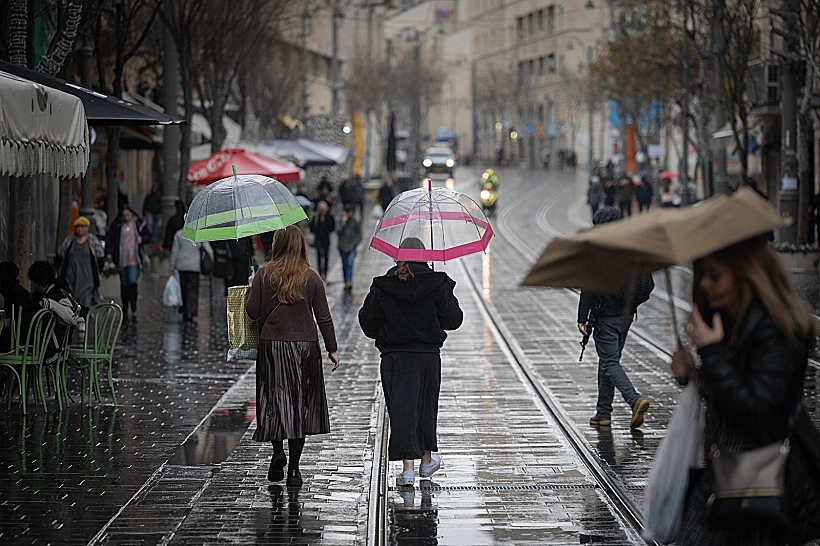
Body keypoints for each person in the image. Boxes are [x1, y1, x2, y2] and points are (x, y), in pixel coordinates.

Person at [670, 235, 819, 545]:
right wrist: (693, 375)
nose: (705, 284)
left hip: (757, 480)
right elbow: (730, 393)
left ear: (745, 274)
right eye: (703, 274)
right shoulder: (733, 321)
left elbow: (758, 409)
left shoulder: (775, 329)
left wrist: (711, 353)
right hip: (724, 473)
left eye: (715, 275)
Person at [358, 237, 464, 486]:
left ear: (398, 257)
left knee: (402, 409)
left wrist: (389, 328)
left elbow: (367, 322)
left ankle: (407, 469)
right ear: (425, 257)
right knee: (426, 407)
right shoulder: (437, 283)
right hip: (427, 357)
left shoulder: (384, 285)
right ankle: (426, 461)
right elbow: (453, 319)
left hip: (395, 357)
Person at [245, 225, 340, 487]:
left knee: (274, 401)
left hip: (272, 346)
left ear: (277, 245)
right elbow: (324, 317)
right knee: (300, 405)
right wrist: (332, 349)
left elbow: (252, 313)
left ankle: (278, 452)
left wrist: (252, 287)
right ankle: (295, 470)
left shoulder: (264, 275)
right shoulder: (312, 278)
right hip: (305, 348)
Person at [577, 206, 650, 429]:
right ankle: (603, 412)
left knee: (609, 362)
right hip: (626, 315)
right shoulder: (630, 247)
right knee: (608, 361)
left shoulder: (599, 251)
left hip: (606, 316)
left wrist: (582, 317)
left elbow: (588, 286)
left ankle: (634, 400)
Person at [28, 261, 80, 365]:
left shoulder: (57, 294)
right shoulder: (48, 293)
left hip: (54, 346)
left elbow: (72, 318)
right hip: (53, 343)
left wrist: (52, 304)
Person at [105, 206, 151, 318]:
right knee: (124, 282)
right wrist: (109, 253)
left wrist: (142, 239)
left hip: (134, 258)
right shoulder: (118, 226)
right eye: (124, 216)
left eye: (128, 215)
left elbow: (148, 235)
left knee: (132, 280)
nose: (126, 218)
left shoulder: (138, 224)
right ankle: (125, 304)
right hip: (121, 257)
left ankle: (133, 303)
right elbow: (111, 239)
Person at [56, 216, 105, 318]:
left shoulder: (92, 240)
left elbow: (100, 257)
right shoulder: (70, 240)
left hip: (87, 276)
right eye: (78, 227)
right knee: (70, 299)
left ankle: (83, 319)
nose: (79, 229)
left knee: (85, 299)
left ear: (87, 228)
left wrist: (100, 272)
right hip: (71, 275)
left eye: (82, 227)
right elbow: (60, 253)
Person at [169, 229, 213, 323]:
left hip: (181, 265)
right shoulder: (200, 234)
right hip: (194, 266)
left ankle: (185, 310)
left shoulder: (179, 234)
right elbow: (208, 249)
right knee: (193, 289)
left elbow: (175, 251)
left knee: (184, 289)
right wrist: (211, 261)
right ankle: (192, 310)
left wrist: (172, 266)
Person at [0, 261, 38, 352]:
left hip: (19, 343)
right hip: (26, 340)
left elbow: (5, 315)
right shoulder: (19, 291)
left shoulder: (13, 294)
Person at [337, 204, 362, 291]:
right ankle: (346, 281)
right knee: (344, 264)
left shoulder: (355, 222)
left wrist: (354, 244)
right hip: (342, 247)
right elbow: (338, 231)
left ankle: (349, 281)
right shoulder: (341, 220)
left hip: (351, 247)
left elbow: (359, 235)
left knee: (350, 263)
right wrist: (343, 223)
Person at [309, 201, 335, 279]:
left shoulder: (329, 217)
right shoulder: (316, 217)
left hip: (326, 239)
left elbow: (332, 227)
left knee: (326, 255)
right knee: (319, 255)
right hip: (318, 239)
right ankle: (320, 272)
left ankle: (325, 271)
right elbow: (311, 228)